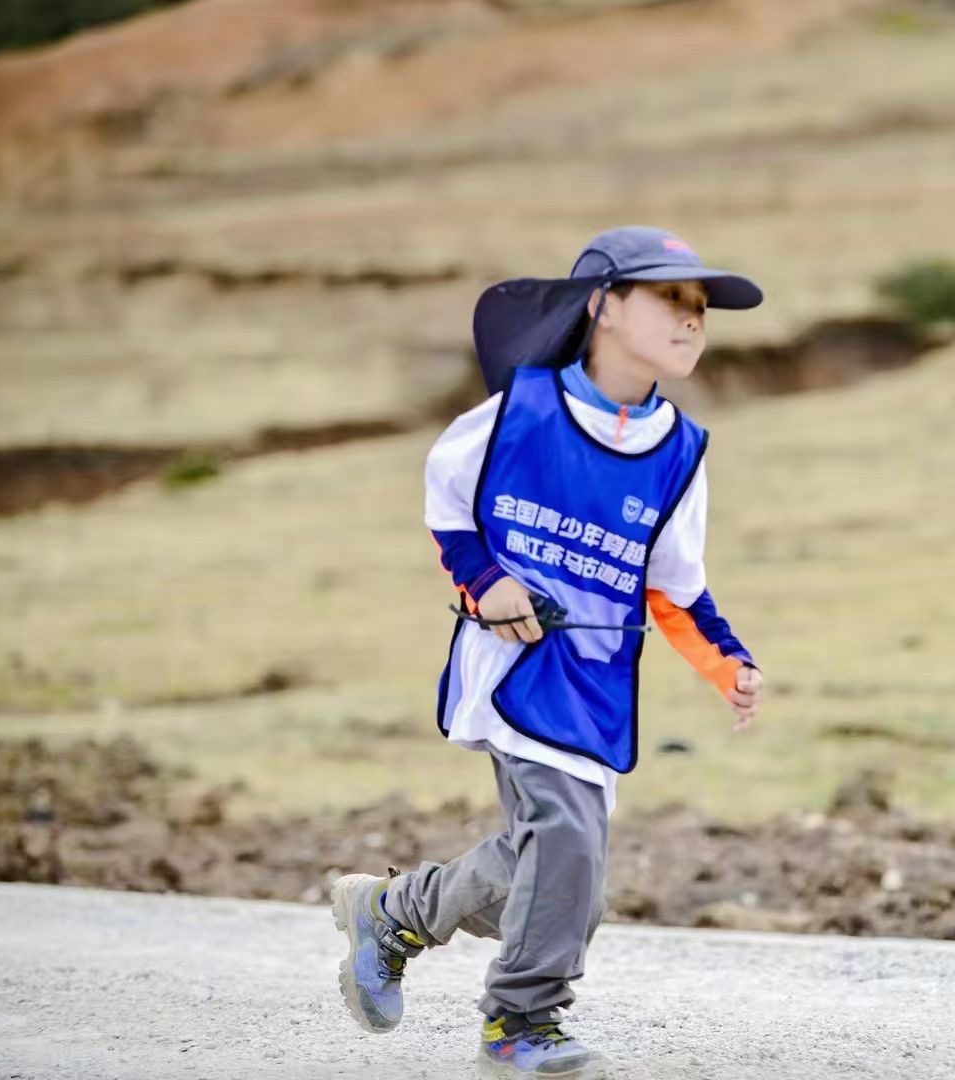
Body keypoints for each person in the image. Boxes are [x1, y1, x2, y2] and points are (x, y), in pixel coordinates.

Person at [329, 226, 765, 1078]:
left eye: (701, 307)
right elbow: (449, 505)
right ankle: (520, 1024)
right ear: (601, 304)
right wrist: (484, 581)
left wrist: (727, 663)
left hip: (598, 686)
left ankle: (392, 911)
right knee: (564, 846)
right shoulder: (517, 413)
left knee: (561, 874)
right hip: (516, 668)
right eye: (670, 297)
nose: (692, 320)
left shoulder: (679, 452)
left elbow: (674, 588)